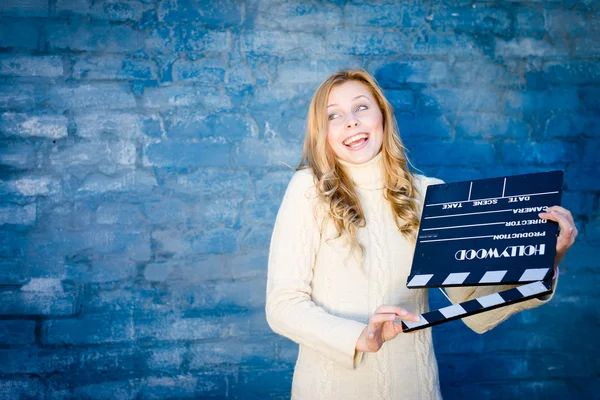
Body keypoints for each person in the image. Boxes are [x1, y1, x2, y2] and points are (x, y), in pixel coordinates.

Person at [264, 69, 577, 399]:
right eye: (334, 115)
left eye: (360, 108)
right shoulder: (308, 191)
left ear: (382, 116)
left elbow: (474, 310)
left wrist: (546, 257)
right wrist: (362, 337)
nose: (351, 122)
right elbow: (284, 306)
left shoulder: (429, 195)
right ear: (322, 132)